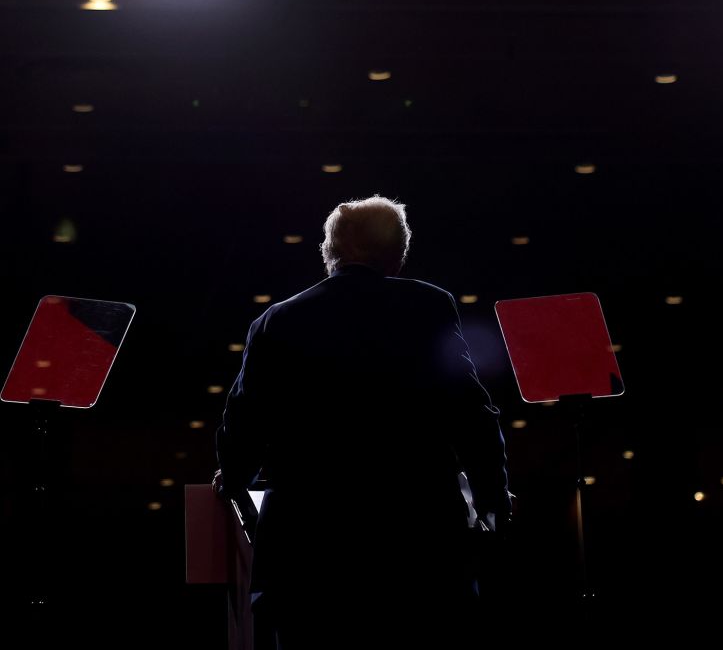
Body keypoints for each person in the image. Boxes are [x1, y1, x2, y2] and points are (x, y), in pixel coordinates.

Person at [214, 194, 511, 647]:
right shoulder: (428, 306)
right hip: (417, 542)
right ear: (397, 252)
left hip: (308, 547)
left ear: (330, 250)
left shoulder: (277, 320)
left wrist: (233, 476)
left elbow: (245, 424)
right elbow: (469, 410)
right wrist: (493, 497)